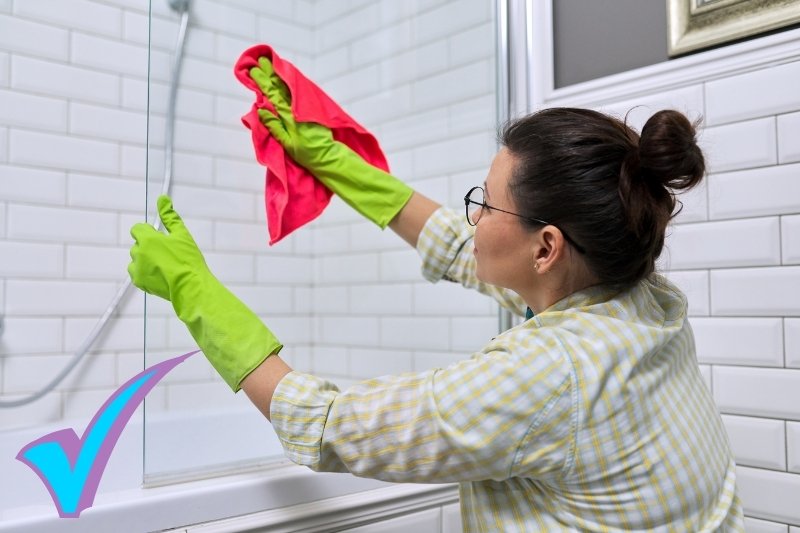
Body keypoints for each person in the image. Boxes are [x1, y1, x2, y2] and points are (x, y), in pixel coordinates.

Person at [128, 58, 744, 531]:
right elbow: (457, 244)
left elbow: (326, 425)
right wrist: (330, 159)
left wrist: (193, 291)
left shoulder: (547, 375)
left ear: (546, 247)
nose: (471, 216)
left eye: (485, 200)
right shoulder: (642, 298)